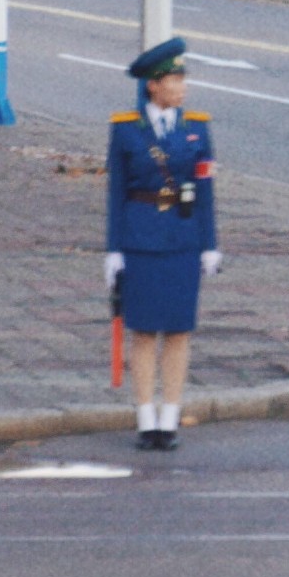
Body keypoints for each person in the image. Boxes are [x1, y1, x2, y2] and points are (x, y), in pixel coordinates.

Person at [106, 38, 222, 451]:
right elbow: (117, 192)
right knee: (142, 332)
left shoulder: (196, 128)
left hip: (183, 238)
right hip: (140, 238)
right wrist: (114, 249)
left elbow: (205, 189)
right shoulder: (125, 129)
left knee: (178, 330)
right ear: (153, 85)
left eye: (181, 78)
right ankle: (145, 418)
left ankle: (169, 418)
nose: (182, 86)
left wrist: (210, 243)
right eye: (174, 79)